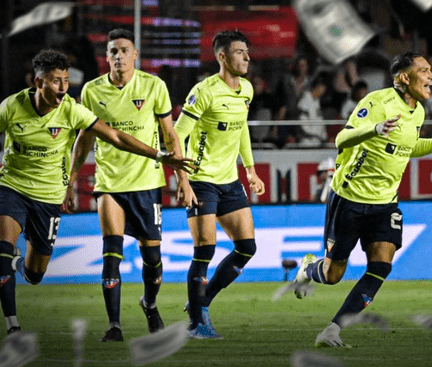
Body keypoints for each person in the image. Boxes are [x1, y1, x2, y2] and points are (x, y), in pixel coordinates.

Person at [293, 51, 432, 347]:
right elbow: (341, 139)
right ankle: (307, 269)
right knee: (332, 275)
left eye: (431, 71)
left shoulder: (417, 111)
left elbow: (408, 147)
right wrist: (374, 129)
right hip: (349, 197)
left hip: (385, 203)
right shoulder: (377, 103)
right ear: (404, 77)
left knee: (381, 265)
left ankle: (333, 329)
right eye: (425, 70)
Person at [0, 49, 193, 336]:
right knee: (2, 253)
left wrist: (160, 156)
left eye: (66, 80)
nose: (64, 88)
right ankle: (13, 325)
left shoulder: (71, 109)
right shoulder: (10, 107)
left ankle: (19, 263)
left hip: (49, 196)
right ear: (38, 82)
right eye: (56, 81)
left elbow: (114, 136)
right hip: (12, 187)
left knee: (35, 274)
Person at [64, 29, 192, 342]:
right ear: (105, 58)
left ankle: (149, 303)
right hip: (109, 184)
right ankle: (114, 326)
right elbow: (84, 139)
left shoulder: (153, 86)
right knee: (112, 253)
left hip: (147, 183)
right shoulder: (92, 91)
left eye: (124, 50)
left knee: (153, 260)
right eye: (112, 52)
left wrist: (183, 179)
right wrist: (70, 180)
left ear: (135, 55)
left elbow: (169, 134)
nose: (118, 56)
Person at [173, 30, 265, 339]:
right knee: (205, 250)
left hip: (230, 181)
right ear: (222, 57)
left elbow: (241, 132)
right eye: (240, 52)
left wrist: (250, 171)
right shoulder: (204, 92)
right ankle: (196, 324)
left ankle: (200, 303)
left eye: (247, 51)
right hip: (201, 182)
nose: (247, 57)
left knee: (247, 247)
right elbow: (177, 134)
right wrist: (182, 180)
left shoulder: (247, 90)